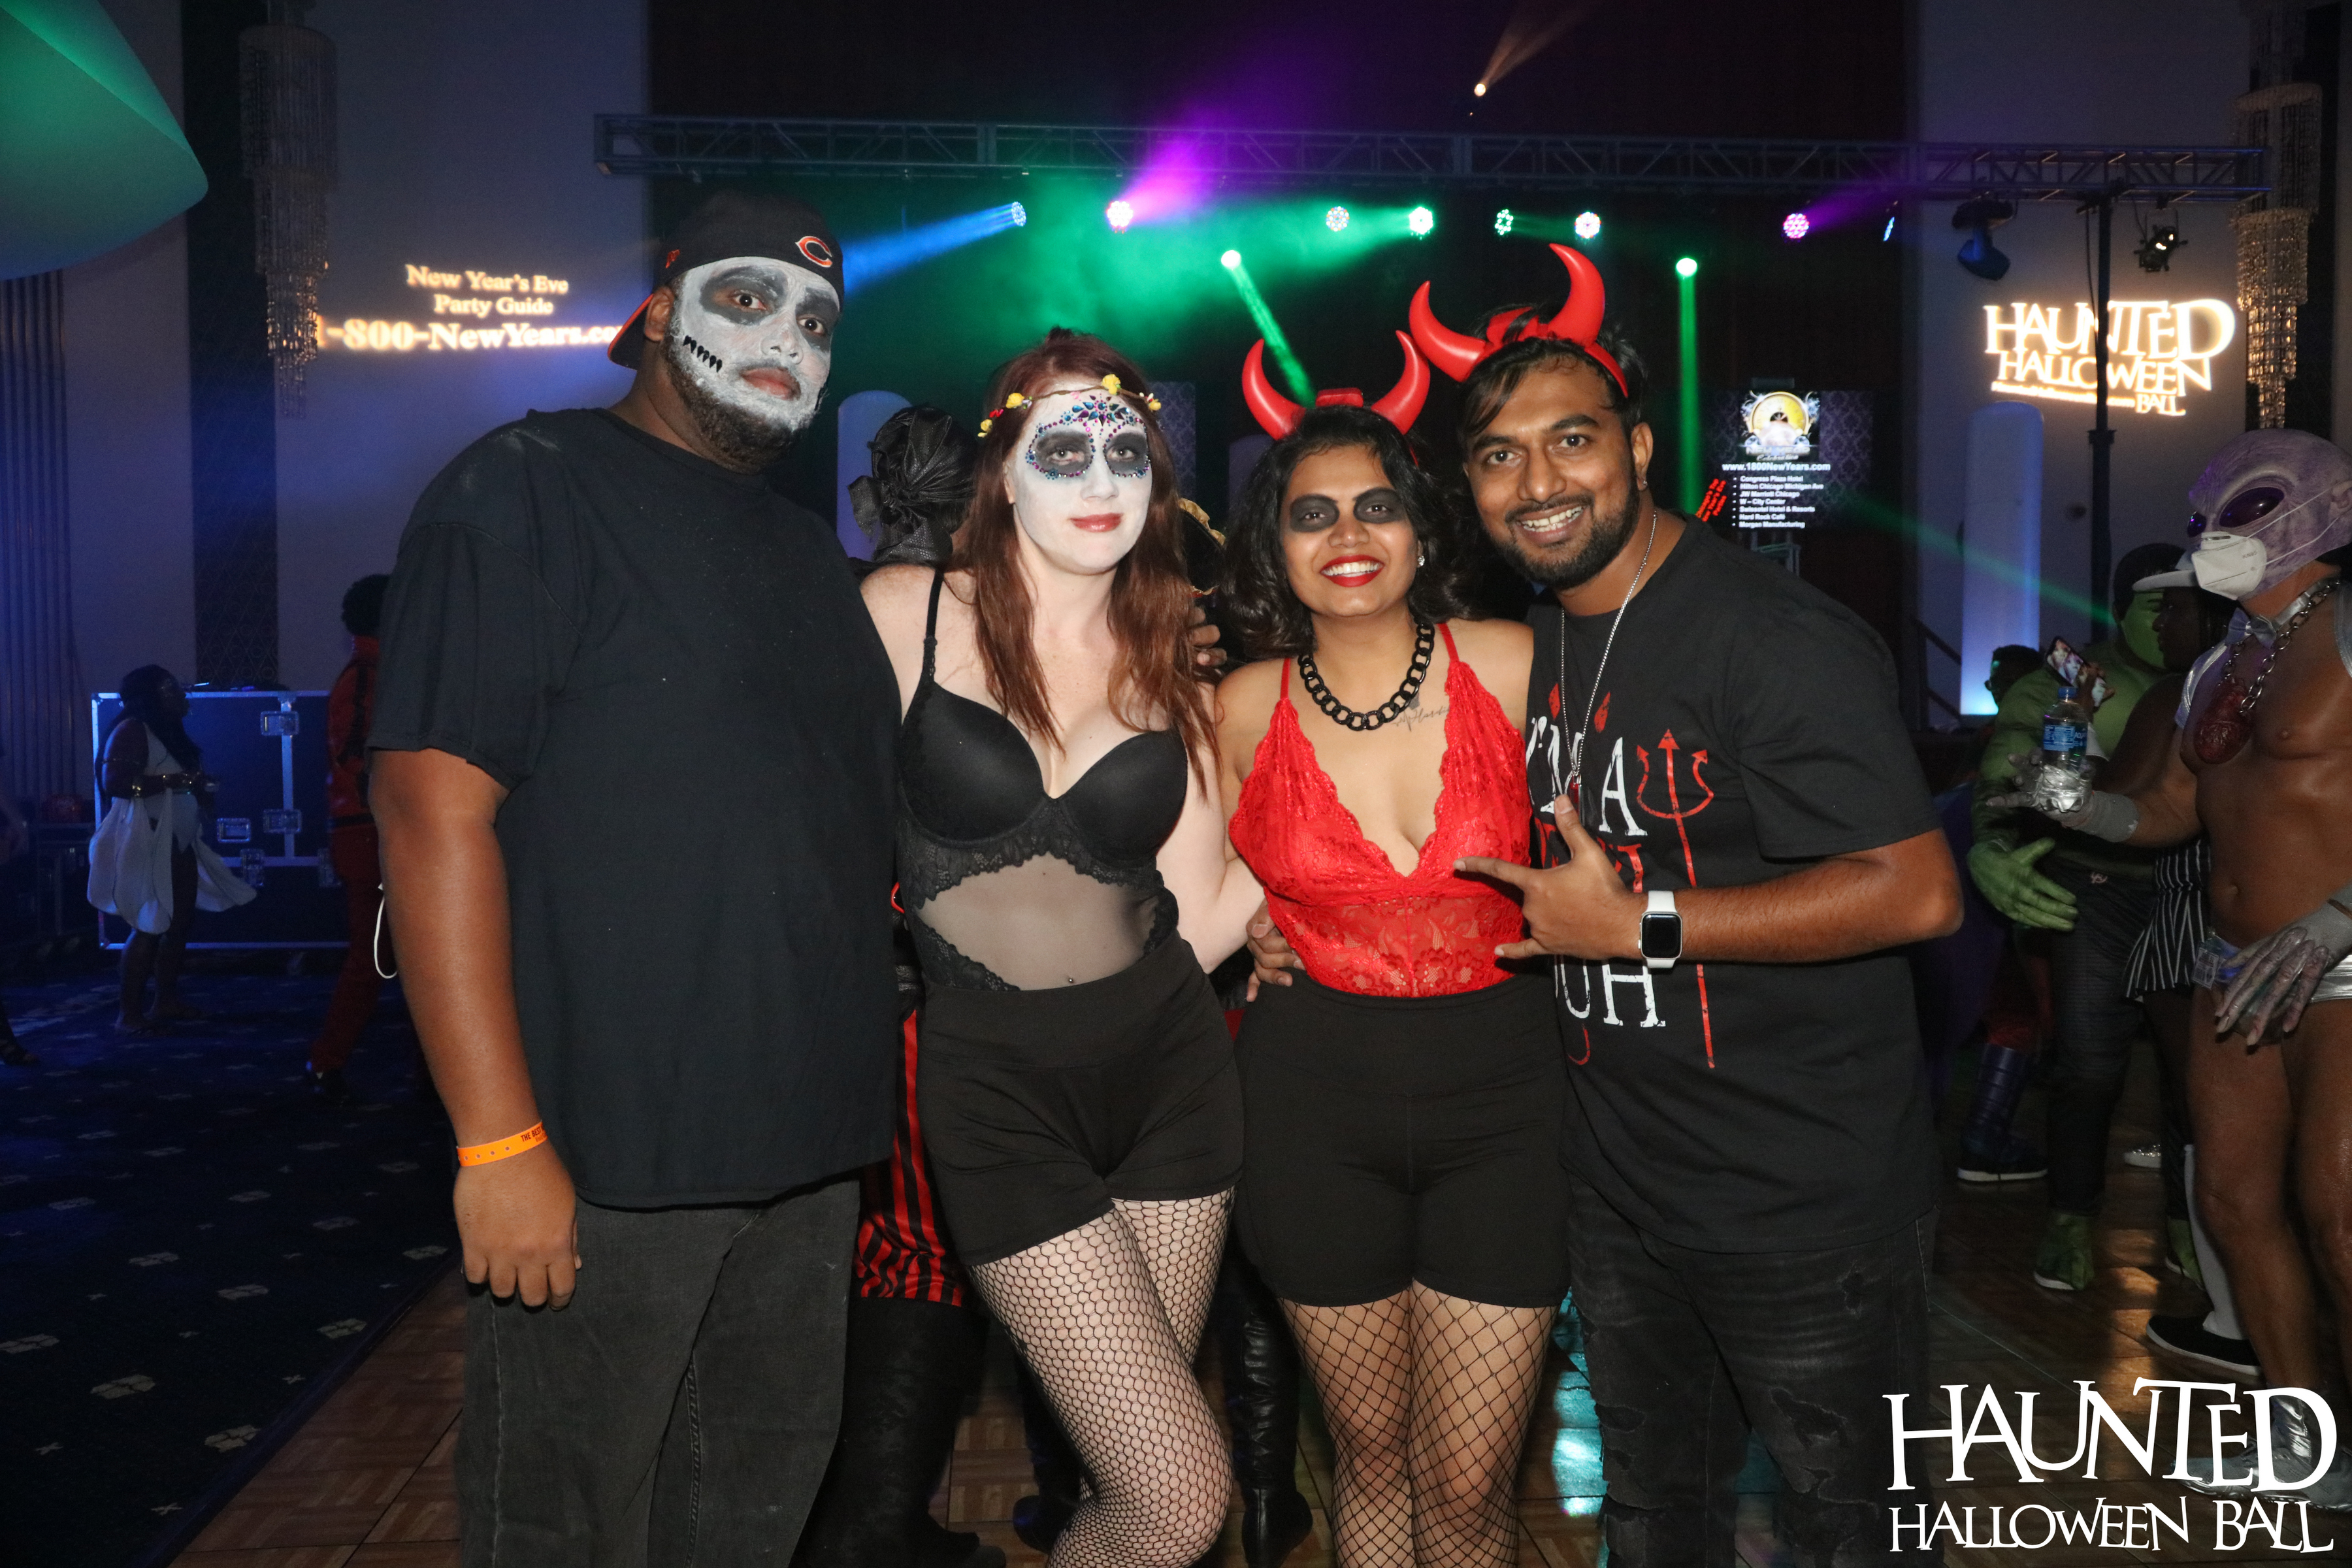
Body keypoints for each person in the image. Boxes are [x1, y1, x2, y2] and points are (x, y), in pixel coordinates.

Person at [1407, 242, 1959, 1564]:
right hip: (1621, 1189)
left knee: (1860, 1533)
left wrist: (1643, 926)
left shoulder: (1770, 637)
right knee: (1656, 1519)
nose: (1540, 482)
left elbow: (1918, 891)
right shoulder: (1537, 641)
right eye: (1499, 456)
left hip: (1801, 1202)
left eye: (1573, 440)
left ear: (1640, 449)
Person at [371, 190, 901, 1565]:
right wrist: (498, 1142)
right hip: (606, 1156)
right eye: (748, 300)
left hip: (806, 1151)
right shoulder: (528, 485)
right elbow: (428, 813)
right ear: (660, 315)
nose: (786, 339)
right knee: (567, 1529)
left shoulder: (801, 547)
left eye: (818, 321)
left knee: (746, 1522)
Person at [860, 329, 1262, 1568]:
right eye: (1062, 451)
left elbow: (1199, 908)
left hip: (1173, 1086)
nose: (1099, 480)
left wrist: (1340, 858)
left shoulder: (1174, 655)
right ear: (1001, 471)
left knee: (1122, 1481)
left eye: (1126, 453)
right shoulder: (906, 615)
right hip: (996, 1097)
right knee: (1181, 1501)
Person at [1216, 389, 1567, 1568]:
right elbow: (1185, 884)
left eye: (1376, 506)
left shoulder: (1514, 662)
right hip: (1312, 1109)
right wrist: (1247, 923)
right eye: (1311, 515)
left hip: (1510, 1106)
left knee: (1468, 1484)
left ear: (1422, 528)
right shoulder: (1241, 704)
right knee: (1369, 1458)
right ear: (1276, 547)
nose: (1347, 536)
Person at [1999, 428, 2352, 1501]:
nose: (2209, 536)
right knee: (2232, 1206)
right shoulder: (2220, 663)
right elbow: (2168, 811)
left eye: (2242, 512)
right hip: (2228, 966)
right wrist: (2070, 803)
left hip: (2340, 963)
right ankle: (2313, 1445)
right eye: (2204, 517)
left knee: (2340, 1211)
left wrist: (2337, 919)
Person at [1968, 543, 2184, 1288]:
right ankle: (2069, 1215)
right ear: (2122, 610)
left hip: (2190, 890)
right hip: (2094, 887)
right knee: (2089, 1066)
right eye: (2157, 606)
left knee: (2195, 1076)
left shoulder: (2227, 670)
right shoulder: (2066, 681)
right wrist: (1992, 846)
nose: (2171, 621)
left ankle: (2187, 1222)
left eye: (2185, 606)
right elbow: (2004, 774)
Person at [2096, 564, 2254, 1377]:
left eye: (2173, 610)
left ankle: (2232, 1317)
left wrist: (2070, 772)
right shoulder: (2237, 679)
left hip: (2206, 922)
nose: (2158, 624)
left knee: (2205, 1124)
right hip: (2253, 923)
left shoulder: (2187, 691)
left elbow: (2135, 798)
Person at [88, 665, 255, 1032]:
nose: (180, 693)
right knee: (150, 925)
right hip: (149, 840)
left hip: (178, 841)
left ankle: (165, 1001)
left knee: (178, 924)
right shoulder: (132, 729)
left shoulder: (168, 732)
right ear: (150, 695)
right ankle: (129, 1014)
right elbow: (115, 783)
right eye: (170, 688)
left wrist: (196, 789)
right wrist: (174, 781)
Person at [304, 573, 392, 1104]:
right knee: (371, 958)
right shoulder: (365, 676)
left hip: (376, 831)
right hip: (370, 834)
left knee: (390, 958)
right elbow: (357, 756)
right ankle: (326, 1060)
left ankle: (329, 1061)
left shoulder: (377, 672)